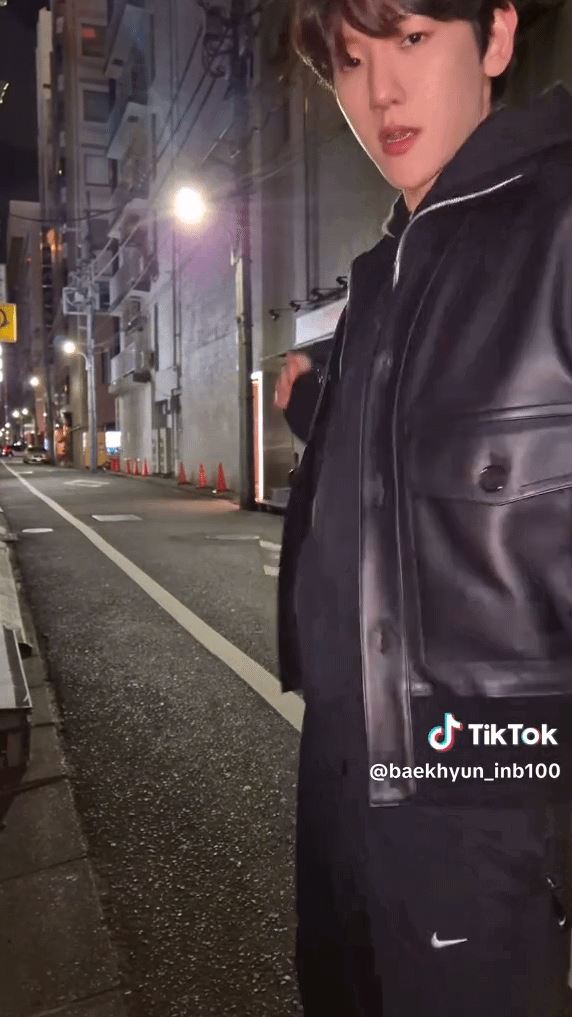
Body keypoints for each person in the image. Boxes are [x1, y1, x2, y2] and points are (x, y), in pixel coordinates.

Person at [274, 1, 572, 1014]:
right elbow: (420, 460)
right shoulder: (386, 271)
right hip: (341, 794)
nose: (382, 92)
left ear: (495, 35)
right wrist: (315, 407)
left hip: (487, 818)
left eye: (410, 39)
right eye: (352, 61)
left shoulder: (556, 223)